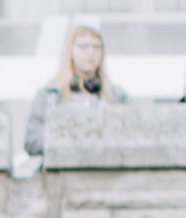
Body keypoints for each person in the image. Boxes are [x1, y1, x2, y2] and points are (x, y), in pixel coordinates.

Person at [23, 21, 127, 156]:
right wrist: (68, 142)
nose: (91, 52)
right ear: (70, 50)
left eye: (96, 47)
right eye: (84, 46)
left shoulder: (117, 97)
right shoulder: (49, 96)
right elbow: (32, 140)